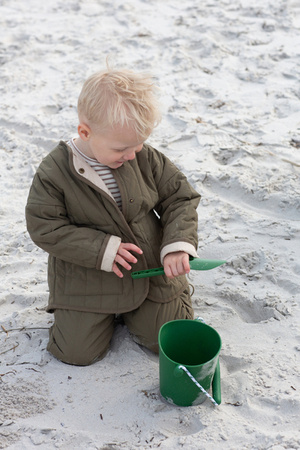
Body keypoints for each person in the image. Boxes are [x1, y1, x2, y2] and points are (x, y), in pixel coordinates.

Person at [25, 68, 201, 366]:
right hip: (87, 275)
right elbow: (44, 226)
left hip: (147, 267)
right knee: (76, 354)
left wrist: (178, 244)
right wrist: (101, 248)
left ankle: (171, 299)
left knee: (164, 338)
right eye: (122, 148)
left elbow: (180, 197)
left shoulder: (144, 157)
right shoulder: (54, 172)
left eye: (138, 144)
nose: (132, 154)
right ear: (85, 132)